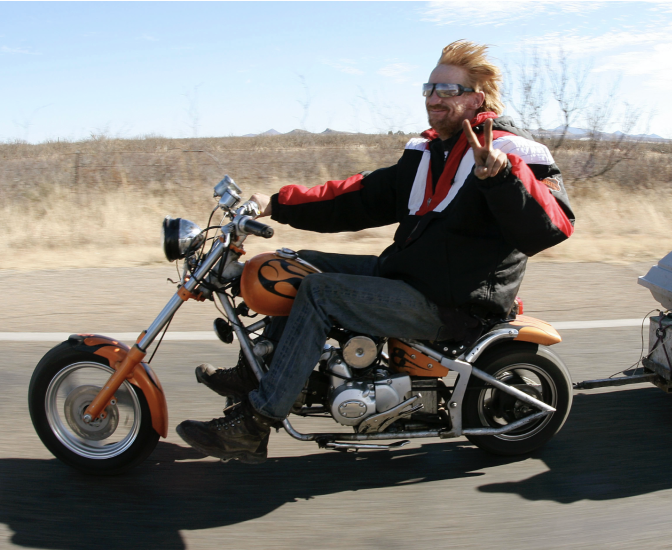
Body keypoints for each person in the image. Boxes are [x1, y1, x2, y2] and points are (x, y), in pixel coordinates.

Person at [176, 40, 575, 464]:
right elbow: (357, 196)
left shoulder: (513, 152)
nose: (433, 98)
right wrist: (275, 202)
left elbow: (554, 225)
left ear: (476, 98)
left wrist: (501, 178)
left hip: (452, 301)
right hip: (406, 275)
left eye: (447, 90)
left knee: (319, 292)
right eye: (429, 88)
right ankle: (258, 369)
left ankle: (255, 424)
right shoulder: (426, 153)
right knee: (293, 264)